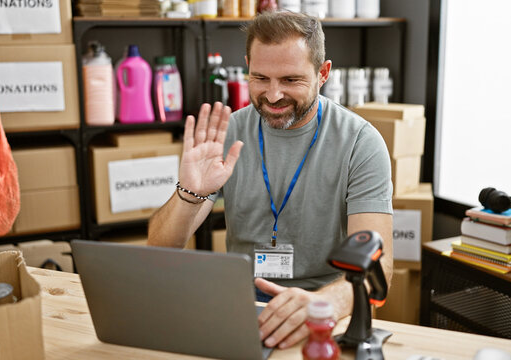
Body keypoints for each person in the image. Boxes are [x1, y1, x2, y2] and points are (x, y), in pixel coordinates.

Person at [148, 11, 393, 349]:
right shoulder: (228, 131)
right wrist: (191, 192)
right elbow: (161, 248)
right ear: (248, 65)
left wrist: (325, 305)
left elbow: (380, 268)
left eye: (291, 80)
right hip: (242, 304)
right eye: (261, 78)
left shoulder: (360, 143)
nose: (274, 95)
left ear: (323, 74)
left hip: (325, 306)